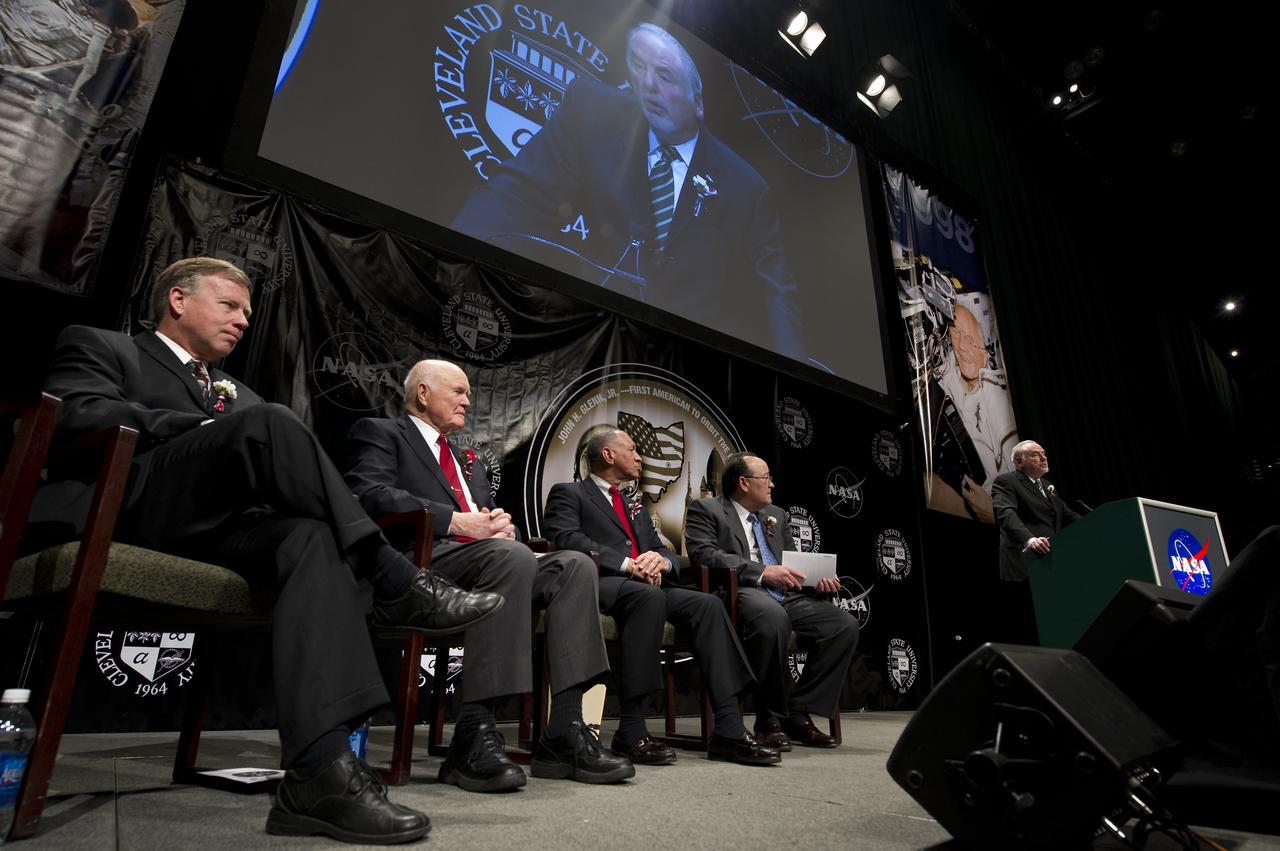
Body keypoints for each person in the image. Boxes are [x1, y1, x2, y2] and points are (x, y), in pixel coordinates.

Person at [36, 257, 504, 844]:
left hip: (222, 530)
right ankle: (393, 576)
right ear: (177, 300)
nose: (242, 322)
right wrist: (201, 429)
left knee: (308, 538)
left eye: (249, 313)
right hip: (130, 508)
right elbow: (73, 415)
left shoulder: (239, 391)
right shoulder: (108, 347)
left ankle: (319, 772)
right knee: (274, 423)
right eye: (230, 306)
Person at [344, 360, 634, 790]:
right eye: (458, 391)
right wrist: (457, 523)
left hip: (481, 560)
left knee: (573, 565)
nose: (467, 400)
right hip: (418, 562)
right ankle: (473, 735)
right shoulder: (383, 433)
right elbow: (367, 494)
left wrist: (499, 526)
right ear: (423, 393)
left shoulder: (468, 458)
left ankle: (565, 732)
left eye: (467, 393)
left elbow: (481, 522)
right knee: (510, 558)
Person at [450, 22, 802, 360]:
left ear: (698, 102)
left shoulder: (746, 188)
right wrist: (455, 261)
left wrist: (791, 378)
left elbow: (776, 297)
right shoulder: (593, 114)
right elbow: (514, 194)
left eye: (664, 76)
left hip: (687, 365)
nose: (647, 84)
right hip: (591, 338)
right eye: (638, 66)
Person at [543, 428, 781, 766]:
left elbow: (659, 549)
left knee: (709, 605)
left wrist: (661, 560)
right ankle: (632, 727)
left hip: (650, 583)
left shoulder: (633, 504)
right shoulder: (569, 493)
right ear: (608, 455)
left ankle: (728, 726)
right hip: (599, 583)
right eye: (632, 449)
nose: (639, 456)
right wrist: (629, 564)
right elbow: (567, 538)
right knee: (648, 599)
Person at [684, 452, 858, 748]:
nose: (772, 484)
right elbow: (705, 555)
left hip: (786, 594)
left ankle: (798, 711)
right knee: (771, 618)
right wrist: (763, 572)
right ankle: (768, 718)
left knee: (843, 625)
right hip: (741, 590)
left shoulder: (776, 516)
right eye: (765, 478)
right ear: (743, 482)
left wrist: (817, 581)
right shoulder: (707, 509)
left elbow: (791, 562)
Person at [926, 298, 1017, 524]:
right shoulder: (951, 373)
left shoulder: (996, 398)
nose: (963, 346)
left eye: (971, 339)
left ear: (985, 350)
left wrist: (995, 514)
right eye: (956, 333)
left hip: (995, 509)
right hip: (959, 480)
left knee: (926, 487)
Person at [990, 440, 1082, 643]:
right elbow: (1005, 514)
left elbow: (1069, 515)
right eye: (1035, 454)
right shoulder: (1006, 482)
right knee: (1030, 628)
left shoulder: (1048, 487)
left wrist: (1100, 523)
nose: (1043, 457)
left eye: (1043, 453)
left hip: (1050, 565)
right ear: (1018, 462)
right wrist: (1029, 540)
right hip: (1025, 565)